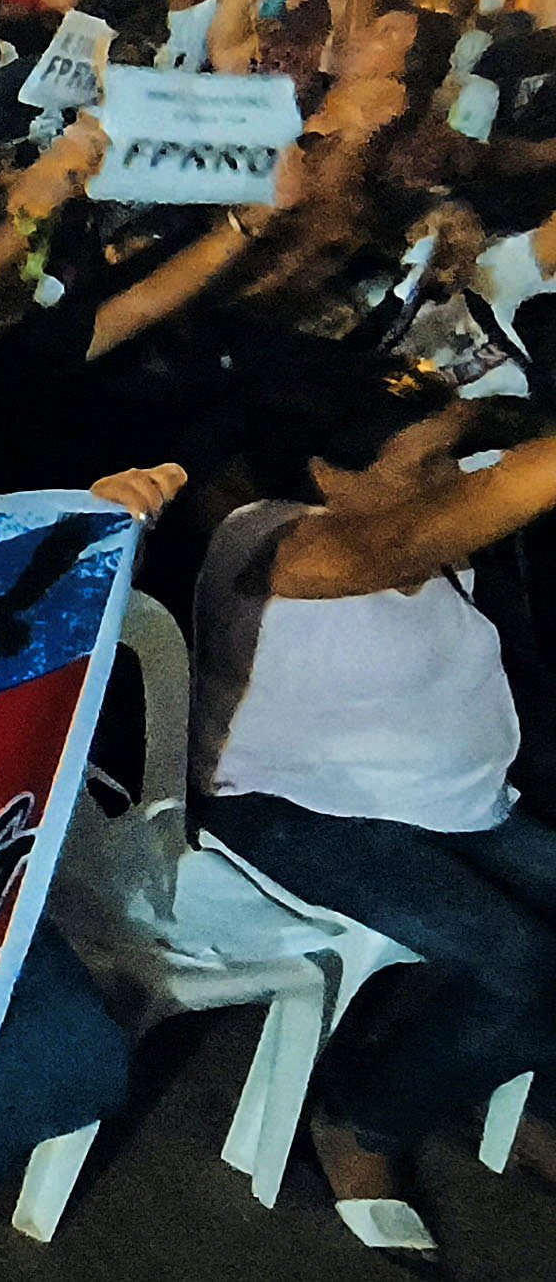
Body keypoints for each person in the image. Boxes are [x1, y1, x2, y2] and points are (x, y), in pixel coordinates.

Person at [193, 363, 556, 1252]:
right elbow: (446, 521)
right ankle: (362, 1119)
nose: (453, 483)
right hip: (289, 808)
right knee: (514, 960)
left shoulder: (420, 544)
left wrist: (474, 416)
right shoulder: (278, 541)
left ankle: (537, 1096)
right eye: (427, 464)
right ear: (328, 474)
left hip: (447, 802)